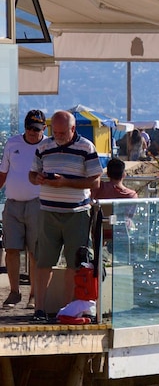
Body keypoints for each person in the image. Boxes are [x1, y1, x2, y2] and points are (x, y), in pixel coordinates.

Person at [29, 110, 102, 323]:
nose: (58, 136)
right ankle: (39, 309)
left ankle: (66, 309)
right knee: (43, 262)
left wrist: (65, 182)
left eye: (62, 132)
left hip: (76, 213)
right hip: (48, 211)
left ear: (73, 129)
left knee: (74, 264)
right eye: (55, 131)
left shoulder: (86, 147)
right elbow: (31, 174)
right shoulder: (44, 146)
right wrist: (38, 178)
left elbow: (95, 181)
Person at [0, 110, 46, 309]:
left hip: (37, 203)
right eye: (29, 128)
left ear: (43, 128)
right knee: (11, 249)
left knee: (35, 251)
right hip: (13, 204)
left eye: (36, 129)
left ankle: (34, 295)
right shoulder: (12, 143)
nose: (32, 132)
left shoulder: (48, 145)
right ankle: (14, 292)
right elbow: (3, 172)